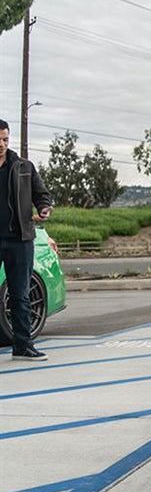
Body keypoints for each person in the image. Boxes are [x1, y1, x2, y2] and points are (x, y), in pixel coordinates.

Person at [0, 119, 53, 361]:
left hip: (19, 240)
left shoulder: (23, 166)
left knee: (20, 294)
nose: (2, 144)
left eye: (5, 139)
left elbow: (42, 194)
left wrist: (44, 208)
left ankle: (23, 346)